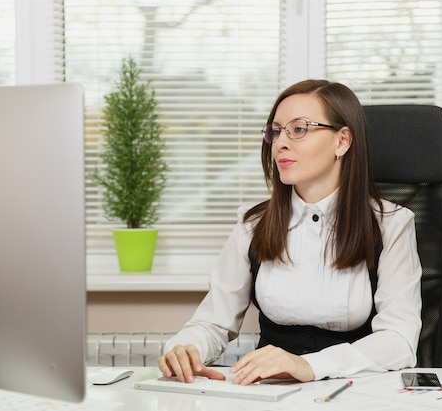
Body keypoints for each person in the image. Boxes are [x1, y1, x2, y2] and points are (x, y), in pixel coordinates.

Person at [158, 79, 422, 386]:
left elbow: (399, 341)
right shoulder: (252, 224)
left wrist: (308, 365)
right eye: (276, 131)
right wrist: (185, 348)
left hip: (355, 392)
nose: (280, 142)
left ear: (342, 141)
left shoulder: (391, 224)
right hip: (268, 395)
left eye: (299, 129)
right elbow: (213, 322)